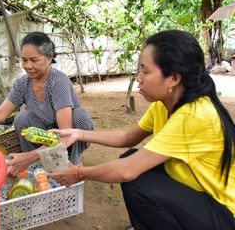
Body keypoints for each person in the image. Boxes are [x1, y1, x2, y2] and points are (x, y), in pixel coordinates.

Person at [49, 30, 235, 230]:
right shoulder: (164, 104)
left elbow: (127, 171)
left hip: (221, 213)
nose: (138, 78)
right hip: (195, 194)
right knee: (132, 162)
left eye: (145, 72)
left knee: (138, 182)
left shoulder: (194, 115)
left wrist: (78, 172)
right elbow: (129, 137)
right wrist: (79, 134)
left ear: (173, 78)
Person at [0, 31, 94, 178]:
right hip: (44, 135)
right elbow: (0, 113)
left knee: (81, 117)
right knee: (23, 118)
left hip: (65, 136)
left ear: (49, 58)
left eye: (34, 60)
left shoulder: (58, 82)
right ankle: (39, 166)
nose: (27, 66)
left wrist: (28, 156)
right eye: (24, 60)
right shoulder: (23, 83)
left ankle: (71, 164)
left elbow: (64, 134)